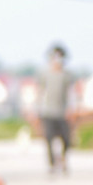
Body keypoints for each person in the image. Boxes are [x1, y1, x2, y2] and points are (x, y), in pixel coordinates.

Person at [36, 44, 77, 174]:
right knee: (49, 139)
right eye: (54, 57)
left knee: (66, 139)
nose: (57, 60)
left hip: (63, 112)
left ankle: (63, 159)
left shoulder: (67, 75)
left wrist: (72, 108)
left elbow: (71, 92)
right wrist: (36, 108)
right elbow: (40, 91)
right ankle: (52, 164)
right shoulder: (45, 74)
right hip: (48, 111)